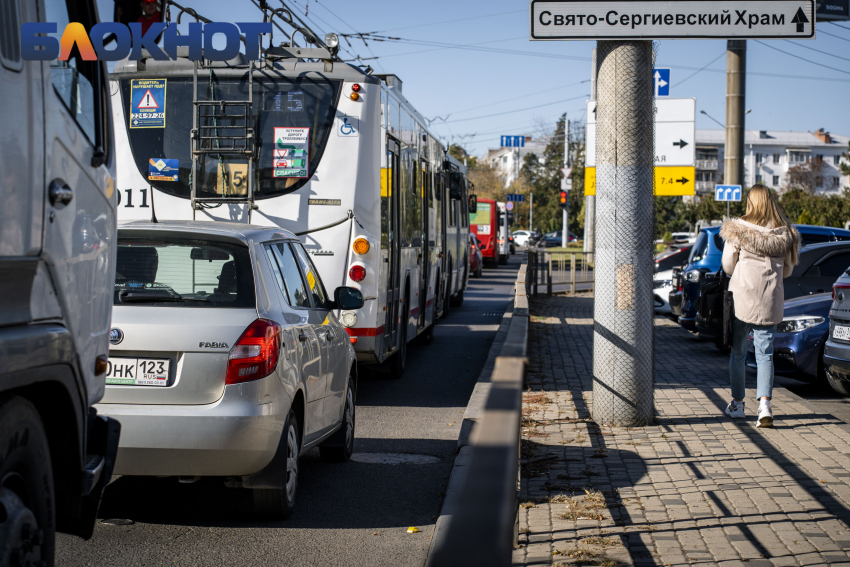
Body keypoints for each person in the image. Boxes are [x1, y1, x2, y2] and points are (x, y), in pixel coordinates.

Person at [720, 185, 800, 427]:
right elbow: (788, 270)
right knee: (765, 354)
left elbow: (728, 266)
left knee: (738, 353)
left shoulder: (739, 229)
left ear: (750, 202)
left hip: (742, 299)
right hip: (770, 300)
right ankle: (765, 406)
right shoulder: (785, 234)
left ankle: (738, 404)